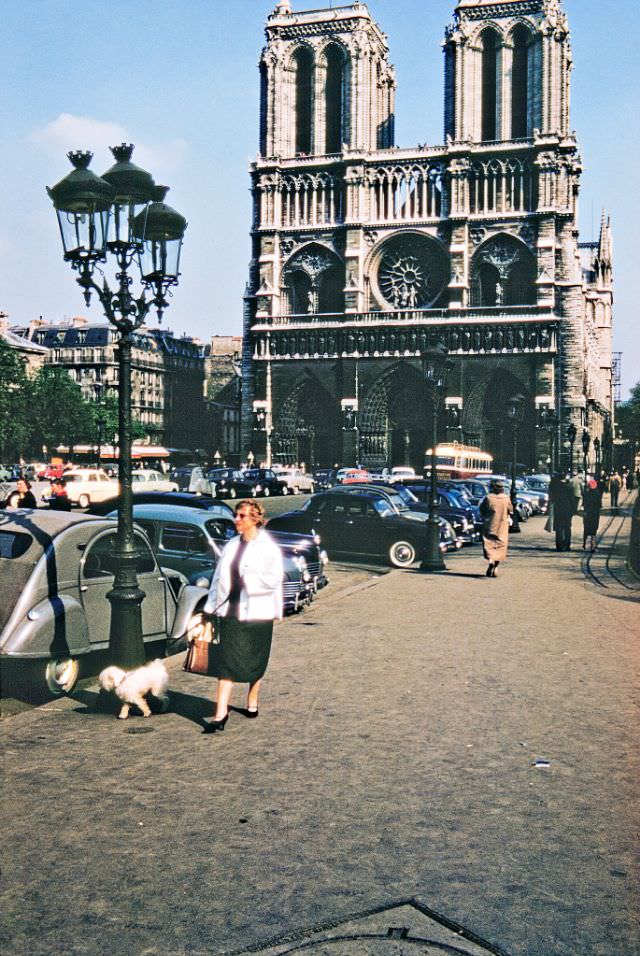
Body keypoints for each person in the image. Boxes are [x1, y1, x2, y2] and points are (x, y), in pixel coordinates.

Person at [201, 499, 283, 735]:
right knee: (226, 662)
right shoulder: (230, 545)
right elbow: (218, 577)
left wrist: (249, 581)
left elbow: (274, 579)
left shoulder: (268, 547)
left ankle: (253, 699)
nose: (237, 520)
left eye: (242, 516)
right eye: (237, 515)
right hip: (231, 612)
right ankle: (220, 714)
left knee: (255, 660)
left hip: (257, 613)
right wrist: (210, 607)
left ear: (255, 519)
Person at [479, 479, 513, 578]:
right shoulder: (506, 498)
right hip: (502, 525)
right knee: (501, 545)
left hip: (490, 524)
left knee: (489, 544)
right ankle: (496, 567)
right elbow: (511, 510)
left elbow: (482, 510)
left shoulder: (488, 498)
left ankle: (491, 562)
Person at [549, 473, 575, 551]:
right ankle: (567, 545)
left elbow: (552, 498)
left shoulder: (556, 487)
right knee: (567, 528)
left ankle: (559, 545)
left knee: (559, 528)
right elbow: (572, 500)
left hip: (558, 509)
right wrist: (573, 510)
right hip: (568, 509)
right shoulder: (569, 486)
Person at [582, 477, 602, 550]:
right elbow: (600, 504)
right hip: (595, 513)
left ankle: (584, 543)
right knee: (594, 529)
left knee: (586, 528)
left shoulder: (586, 493)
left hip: (587, 513)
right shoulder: (598, 493)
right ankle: (593, 544)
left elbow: (584, 503)